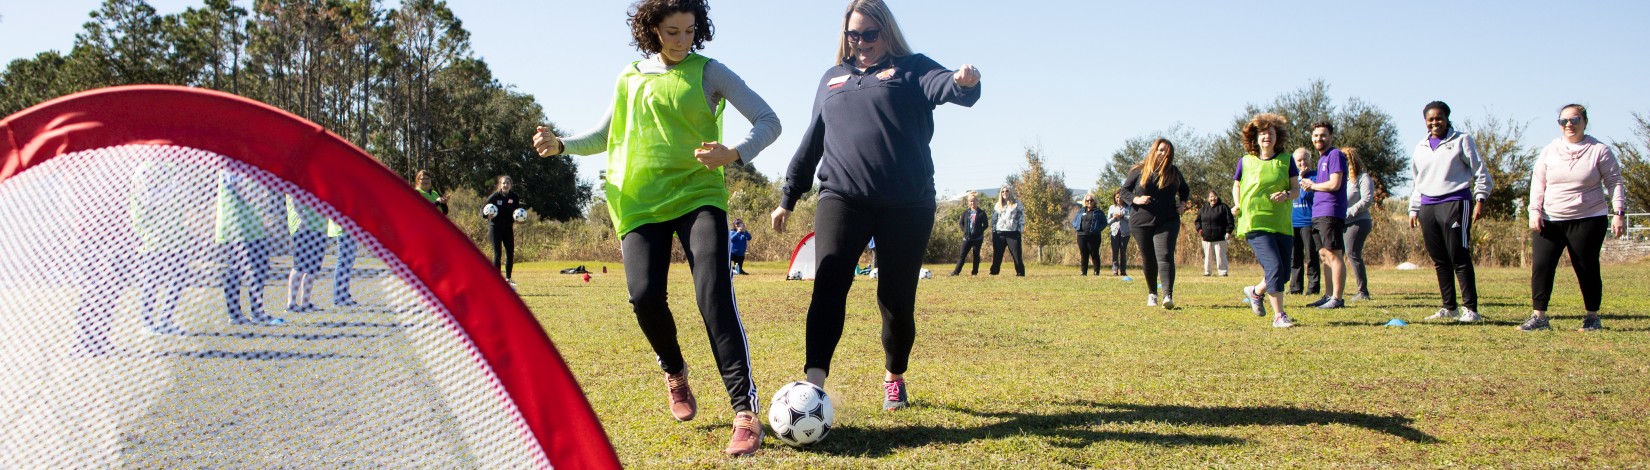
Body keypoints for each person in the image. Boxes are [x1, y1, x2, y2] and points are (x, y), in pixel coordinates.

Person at [531, 0, 779, 455]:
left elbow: (769, 121)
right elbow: (606, 135)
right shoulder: (630, 76)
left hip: (698, 196)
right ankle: (675, 370)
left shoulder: (710, 72)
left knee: (713, 296)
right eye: (672, 32)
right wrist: (563, 144)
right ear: (652, 31)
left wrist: (734, 153)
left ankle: (744, 412)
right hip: (640, 202)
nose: (683, 41)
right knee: (644, 297)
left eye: (689, 31)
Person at [770, 0, 980, 412]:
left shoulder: (911, 67)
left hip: (907, 203)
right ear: (844, 36)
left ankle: (894, 376)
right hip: (842, 197)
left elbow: (946, 86)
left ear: (887, 31)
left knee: (896, 298)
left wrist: (963, 81)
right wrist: (788, 198)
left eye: (870, 34)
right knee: (828, 286)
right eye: (854, 35)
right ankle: (814, 385)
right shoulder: (832, 79)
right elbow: (812, 141)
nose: (862, 43)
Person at [1520, 104, 1627, 332]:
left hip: (1588, 218)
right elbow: (1538, 183)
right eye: (1564, 121)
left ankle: (1592, 317)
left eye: (1574, 119)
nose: (1569, 124)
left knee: (1586, 266)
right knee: (1542, 266)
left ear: (1584, 122)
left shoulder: (1599, 150)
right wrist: (1534, 211)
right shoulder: (1549, 150)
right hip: (1551, 218)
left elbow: (1614, 182)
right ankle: (1539, 317)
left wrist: (1619, 212)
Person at [1408, 101, 1493, 323]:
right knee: (1439, 259)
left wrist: (1480, 199)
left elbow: (1480, 172)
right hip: (1428, 205)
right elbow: (1417, 181)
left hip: (1455, 202)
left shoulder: (1461, 140)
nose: (1435, 122)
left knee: (1459, 256)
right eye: (1430, 119)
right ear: (1425, 121)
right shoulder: (1421, 146)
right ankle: (1449, 307)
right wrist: (1414, 208)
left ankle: (1471, 310)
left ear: (1446, 118)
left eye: (1439, 118)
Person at [1233, 113, 1301, 327]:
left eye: (1270, 134)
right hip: (1255, 222)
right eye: (1262, 134)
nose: (1266, 138)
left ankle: (1255, 291)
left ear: (1277, 137)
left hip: (1280, 223)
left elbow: (1296, 190)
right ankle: (1279, 316)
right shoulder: (1245, 161)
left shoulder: (1286, 160)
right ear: (1255, 138)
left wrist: (1286, 195)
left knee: (1284, 274)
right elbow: (1236, 184)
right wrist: (1237, 203)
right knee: (1273, 266)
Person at [1122, 138, 1191, 309]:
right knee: (1149, 258)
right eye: (1160, 149)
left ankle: (1167, 295)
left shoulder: (1173, 172)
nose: (1163, 153)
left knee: (1165, 255)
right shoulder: (1139, 170)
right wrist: (1136, 199)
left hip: (1167, 220)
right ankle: (1152, 293)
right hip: (1141, 221)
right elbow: (1124, 191)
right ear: (1154, 150)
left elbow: (1185, 189)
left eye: (1167, 151)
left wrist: (1182, 204)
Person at [216, 170, 286, 326]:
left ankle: (258, 313)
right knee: (236, 270)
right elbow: (240, 187)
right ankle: (235, 315)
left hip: (254, 227)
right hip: (236, 226)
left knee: (261, 267)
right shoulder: (230, 163)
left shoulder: (250, 165)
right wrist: (261, 197)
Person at [1302, 122, 1349, 309]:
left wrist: (1312, 186)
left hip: (1331, 211)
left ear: (1330, 136)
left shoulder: (1335, 155)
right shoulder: (1322, 159)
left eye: (1322, 135)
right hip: (1318, 212)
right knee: (1323, 254)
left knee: (1334, 253)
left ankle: (1337, 298)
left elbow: (1335, 184)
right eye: (1315, 136)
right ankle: (1328, 295)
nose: (1318, 139)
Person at [1341, 147, 1375, 301]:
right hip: (1342, 221)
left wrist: (1349, 212)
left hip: (1358, 221)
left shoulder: (1363, 177)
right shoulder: (1342, 179)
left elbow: (1367, 200)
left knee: (1352, 253)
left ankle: (1363, 291)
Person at [286, 195, 328, 313]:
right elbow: (293, 197)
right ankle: (291, 303)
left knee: (312, 269)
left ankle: (306, 303)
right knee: (299, 267)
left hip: (320, 228)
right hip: (304, 228)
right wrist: (302, 217)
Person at [1287, 148, 1320, 296]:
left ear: (1309, 160)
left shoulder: (1315, 176)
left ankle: (1313, 288)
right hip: (1293, 222)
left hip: (1309, 221)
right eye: (1299, 160)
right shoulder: (1291, 177)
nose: (1302, 163)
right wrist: (1298, 178)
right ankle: (1295, 287)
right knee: (1295, 256)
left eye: (1304, 159)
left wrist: (1301, 178)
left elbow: (1305, 195)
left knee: (1311, 256)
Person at [483, 175, 523, 286]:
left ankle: (508, 278)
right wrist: (487, 216)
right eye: (503, 183)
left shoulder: (514, 197)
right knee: (497, 253)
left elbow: (516, 212)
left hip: (508, 228)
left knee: (510, 252)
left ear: (511, 185)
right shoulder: (494, 197)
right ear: (500, 185)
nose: (505, 185)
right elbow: (482, 210)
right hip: (495, 228)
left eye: (508, 183)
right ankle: (496, 280)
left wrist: (518, 220)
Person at [1195, 191, 1233, 277]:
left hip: (1220, 237)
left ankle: (1223, 272)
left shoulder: (1223, 207)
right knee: (1207, 256)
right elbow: (1197, 221)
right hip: (1206, 238)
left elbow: (1230, 220)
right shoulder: (1203, 209)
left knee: (1220, 255)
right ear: (1208, 198)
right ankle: (1207, 272)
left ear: (1218, 197)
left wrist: (1228, 231)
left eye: (1215, 196)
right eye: (1211, 197)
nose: (1213, 199)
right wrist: (1200, 231)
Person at [950, 191, 989, 276]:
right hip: (967, 238)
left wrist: (979, 231)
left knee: (976, 255)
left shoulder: (982, 213)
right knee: (962, 255)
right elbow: (961, 223)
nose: (972, 203)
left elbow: (986, 225)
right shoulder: (965, 212)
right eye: (971, 201)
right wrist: (964, 231)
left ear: (977, 201)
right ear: (969, 202)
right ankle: (956, 272)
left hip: (977, 238)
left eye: (974, 201)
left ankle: (974, 272)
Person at [990, 186, 1026, 276]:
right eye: (1002, 191)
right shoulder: (998, 205)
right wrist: (994, 231)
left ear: (1010, 192)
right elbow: (994, 219)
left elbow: (1021, 217)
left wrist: (1019, 230)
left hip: (1013, 233)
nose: (1004, 193)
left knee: (1016, 254)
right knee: (997, 255)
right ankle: (994, 272)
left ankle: (1020, 272)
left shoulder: (1017, 204)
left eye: (1007, 191)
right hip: (999, 233)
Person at [1073, 193, 1107, 276]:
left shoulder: (1098, 212)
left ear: (1094, 201)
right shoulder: (1080, 211)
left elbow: (1104, 223)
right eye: (1087, 200)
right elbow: (1074, 221)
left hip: (1094, 236)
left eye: (1091, 200)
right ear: (1085, 201)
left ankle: (1096, 272)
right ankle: (1083, 272)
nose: (1089, 202)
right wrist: (1077, 228)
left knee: (1094, 253)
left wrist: (1097, 229)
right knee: (1083, 254)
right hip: (1081, 235)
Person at [327, 219, 359, 306]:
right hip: (343, 227)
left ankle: (344, 296)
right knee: (343, 261)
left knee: (348, 262)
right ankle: (339, 298)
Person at [1107, 191, 1131, 276]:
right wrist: (1114, 218)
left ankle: (1123, 270)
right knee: (1115, 252)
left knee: (1123, 252)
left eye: (1120, 197)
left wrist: (1123, 216)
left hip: (1125, 232)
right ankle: (1115, 269)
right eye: (1117, 197)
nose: (1118, 199)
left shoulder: (1128, 208)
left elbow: (1131, 220)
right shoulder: (1112, 208)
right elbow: (1108, 222)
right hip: (1115, 232)